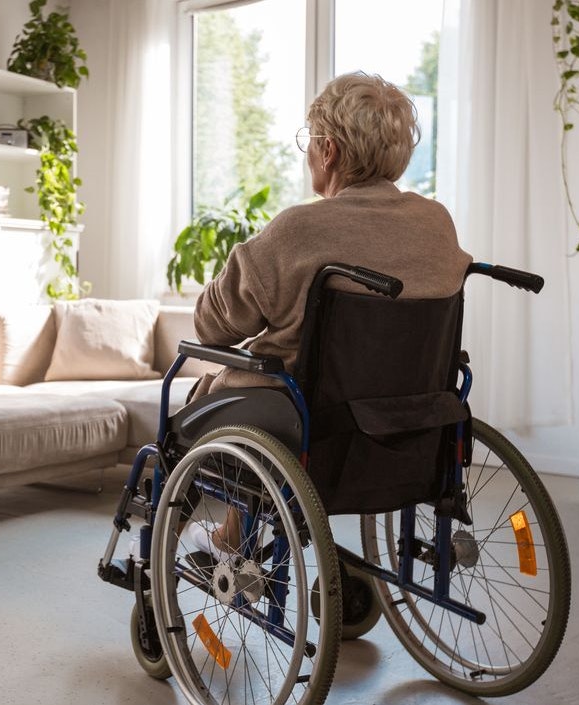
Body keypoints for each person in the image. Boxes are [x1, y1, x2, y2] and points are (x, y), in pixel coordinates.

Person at [187, 72, 472, 556]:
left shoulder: (299, 229)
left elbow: (213, 326)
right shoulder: (435, 222)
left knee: (212, 403)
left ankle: (186, 552)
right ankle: (233, 536)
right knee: (272, 397)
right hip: (410, 423)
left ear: (329, 150)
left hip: (311, 428)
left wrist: (245, 258)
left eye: (310, 141)